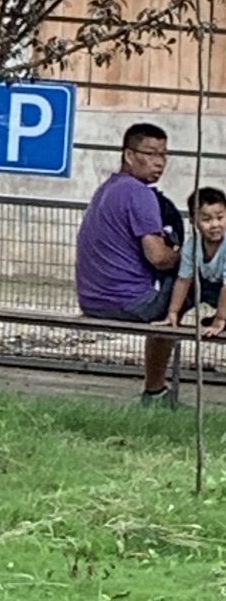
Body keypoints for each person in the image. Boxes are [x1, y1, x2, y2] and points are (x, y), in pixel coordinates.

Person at [75, 122, 181, 402]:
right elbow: (158, 258)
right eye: (151, 153)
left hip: (91, 300)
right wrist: (186, 255)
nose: (159, 162)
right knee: (186, 287)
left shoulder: (107, 188)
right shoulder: (139, 193)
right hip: (128, 303)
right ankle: (155, 391)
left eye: (164, 155)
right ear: (129, 155)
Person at [165, 186, 226, 337]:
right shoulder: (191, 247)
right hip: (212, 288)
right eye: (206, 219)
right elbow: (183, 280)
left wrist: (220, 319)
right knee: (186, 287)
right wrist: (173, 312)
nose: (215, 225)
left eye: (220, 218)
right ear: (193, 221)